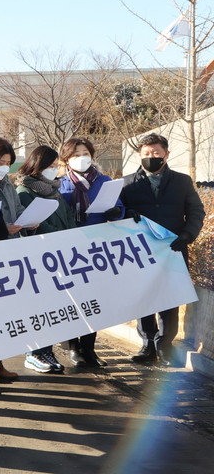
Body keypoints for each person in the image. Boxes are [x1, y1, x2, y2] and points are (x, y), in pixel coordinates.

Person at [120, 133, 205, 367]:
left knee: (170, 299)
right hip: (140, 253)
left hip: (173, 250)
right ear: (139, 156)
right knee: (144, 297)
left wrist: (187, 235)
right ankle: (147, 345)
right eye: (146, 154)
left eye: (156, 153)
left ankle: (165, 345)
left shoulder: (182, 181)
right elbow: (117, 213)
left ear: (166, 154)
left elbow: (196, 211)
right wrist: (125, 215)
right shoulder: (127, 184)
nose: (151, 157)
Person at [59, 137, 123, 367]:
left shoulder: (104, 181)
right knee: (73, 300)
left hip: (97, 247)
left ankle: (89, 347)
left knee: (95, 300)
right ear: (66, 158)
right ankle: (73, 347)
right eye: (75, 154)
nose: (81, 158)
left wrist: (116, 210)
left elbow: (120, 210)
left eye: (85, 152)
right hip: (68, 249)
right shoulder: (61, 184)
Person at [0, 137, 37, 381]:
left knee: (5, 312)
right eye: (0, 161)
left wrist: (31, 220)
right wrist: (5, 228)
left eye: (8, 162)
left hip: (11, 253)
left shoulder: (7, 184)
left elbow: (18, 212)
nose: (4, 166)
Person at [16, 145, 77, 374]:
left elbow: (68, 217)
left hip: (60, 255)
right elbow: (34, 224)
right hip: (38, 258)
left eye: (55, 166)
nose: (53, 170)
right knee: (37, 306)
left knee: (53, 306)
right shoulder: (25, 190)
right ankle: (33, 353)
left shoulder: (55, 188)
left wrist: (70, 236)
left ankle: (46, 350)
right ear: (36, 165)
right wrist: (57, 237)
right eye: (48, 166)